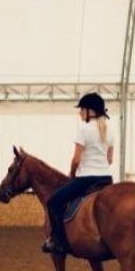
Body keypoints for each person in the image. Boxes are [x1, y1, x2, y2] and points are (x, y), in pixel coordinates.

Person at [42, 92, 114, 254]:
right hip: (106, 179)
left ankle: (58, 241)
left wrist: (71, 174)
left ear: (89, 111)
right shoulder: (109, 130)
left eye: (82, 109)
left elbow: (76, 159)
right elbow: (110, 159)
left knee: (53, 201)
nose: (80, 113)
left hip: (86, 179)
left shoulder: (84, 129)